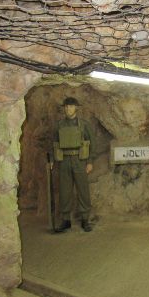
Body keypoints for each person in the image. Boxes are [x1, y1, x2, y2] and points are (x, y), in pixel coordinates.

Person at [52, 97, 95, 232]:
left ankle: (85, 219)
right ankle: (66, 220)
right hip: (64, 160)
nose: (67, 109)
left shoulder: (84, 125)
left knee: (83, 190)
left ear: (76, 108)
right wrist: (53, 160)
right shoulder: (59, 125)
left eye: (70, 106)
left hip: (80, 160)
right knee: (64, 191)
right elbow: (54, 143)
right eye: (66, 106)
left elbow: (92, 143)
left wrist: (90, 162)